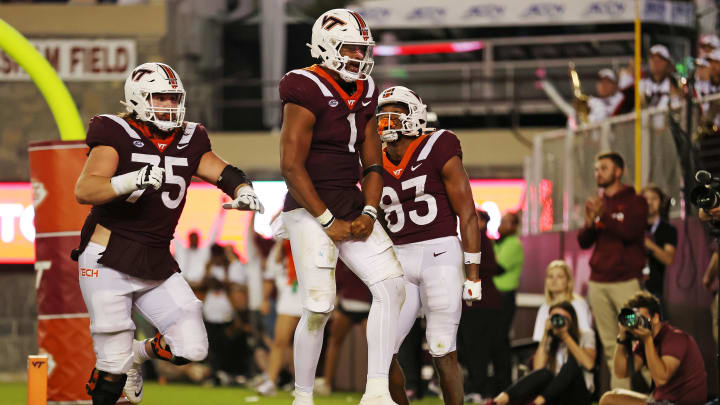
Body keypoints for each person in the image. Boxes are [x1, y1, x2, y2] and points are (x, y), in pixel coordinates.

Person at [72, 62, 265, 405]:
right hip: (107, 256)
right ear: (137, 98)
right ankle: (119, 367)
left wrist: (243, 191)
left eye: (173, 99)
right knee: (110, 364)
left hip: (156, 258)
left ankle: (137, 355)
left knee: (193, 347)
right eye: (159, 98)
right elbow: (86, 189)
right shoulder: (114, 132)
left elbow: (225, 172)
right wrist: (131, 180)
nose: (169, 106)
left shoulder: (190, 138)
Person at [277, 9, 406, 405]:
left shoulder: (365, 88)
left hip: (350, 200)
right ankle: (303, 398)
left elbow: (371, 160)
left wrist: (369, 210)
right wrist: (326, 219)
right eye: (350, 48)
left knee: (391, 286)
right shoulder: (303, 85)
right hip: (307, 205)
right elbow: (290, 166)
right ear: (326, 45)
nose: (358, 57)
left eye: (362, 49)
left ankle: (378, 390)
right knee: (318, 306)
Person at [374, 85, 482, 405]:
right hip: (398, 259)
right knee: (381, 351)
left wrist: (473, 274)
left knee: (441, 348)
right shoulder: (371, 159)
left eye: (395, 112)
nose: (387, 120)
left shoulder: (439, 144)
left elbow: (468, 213)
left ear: (414, 115)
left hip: (440, 253)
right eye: (383, 114)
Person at [577, 151, 647, 389]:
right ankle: (622, 397)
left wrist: (603, 215)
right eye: (596, 169)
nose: (598, 173)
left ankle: (661, 392)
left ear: (619, 171)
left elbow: (632, 232)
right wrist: (589, 222)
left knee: (639, 338)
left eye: (604, 168)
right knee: (611, 344)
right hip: (598, 283)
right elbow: (584, 241)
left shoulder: (635, 201)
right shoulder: (599, 203)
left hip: (625, 283)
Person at [599, 292, 707, 405]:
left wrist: (647, 341)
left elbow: (661, 379)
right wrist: (622, 337)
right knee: (612, 396)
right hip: (661, 401)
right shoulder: (645, 339)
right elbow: (621, 372)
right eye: (634, 318)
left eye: (641, 317)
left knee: (609, 400)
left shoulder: (676, 338)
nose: (637, 321)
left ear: (655, 318)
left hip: (679, 402)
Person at [486, 301, 596, 405]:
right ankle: (497, 401)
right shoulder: (551, 339)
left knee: (572, 365)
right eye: (554, 318)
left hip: (578, 396)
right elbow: (538, 369)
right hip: (553, 396)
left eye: (563, 318)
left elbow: (589, 364)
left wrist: (566, 336)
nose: (558, 321)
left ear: (572, 320)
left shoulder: (585, 335)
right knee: (545, 373)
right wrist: (545, 335)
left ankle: (536, 403)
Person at [458, 209, 503, 403]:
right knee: (471, 349)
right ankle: (476, 387)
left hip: (481, 304)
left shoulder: (480, 241)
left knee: (478, 349)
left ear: (484, 222)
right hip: (475, 304)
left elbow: (488, 266)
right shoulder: (475, 240)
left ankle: (479, 389)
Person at [315, 260, 372, 396]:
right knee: (334, 341)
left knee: (375, 347)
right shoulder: (340, 256)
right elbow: (335, 282)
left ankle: (377, 386)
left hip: (369, 306)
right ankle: (327, 384)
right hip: (346, 305)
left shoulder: (369, 252)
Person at [255, 239, 301, 396]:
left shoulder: (307, 241)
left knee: (304, 345)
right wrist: (264, 300)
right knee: (280, 341)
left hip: (309, 297)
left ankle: (303, 386)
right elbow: (269, 277)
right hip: (288, 299)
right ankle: (270, 381)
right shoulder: (278, 248)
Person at [492, 211, 524, 393]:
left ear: (514, 226)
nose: (501, 225)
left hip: (505, 297)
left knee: (500, 341)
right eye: (501, 221)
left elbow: (497, 267)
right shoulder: (500, 243)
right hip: (497, 297)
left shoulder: (513, 244)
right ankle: (497, 384)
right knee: (496, 341)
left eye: (506, 222)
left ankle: (503, 384)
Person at [532, 260, 592, 342]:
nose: (554, 280)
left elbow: (586, 337)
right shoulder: (544, 307)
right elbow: (538, 339)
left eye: (560, 276)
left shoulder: (578, 304)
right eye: (550, 276)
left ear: (568, 281)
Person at [641, 185, 677, 303]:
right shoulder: (635, 226)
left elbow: (668, 259)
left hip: (655, 289)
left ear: (661, 202)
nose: (650, 202)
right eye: (646, 198)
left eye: (654, 198)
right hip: (632, 284)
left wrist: (649, 245)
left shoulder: (668, 230)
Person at [639, 45, 681, 109]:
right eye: (653, 59)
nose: (655, 63)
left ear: (667, 64)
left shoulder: (673, 85)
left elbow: (677, 108)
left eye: (660, 60)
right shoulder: (641, 84)